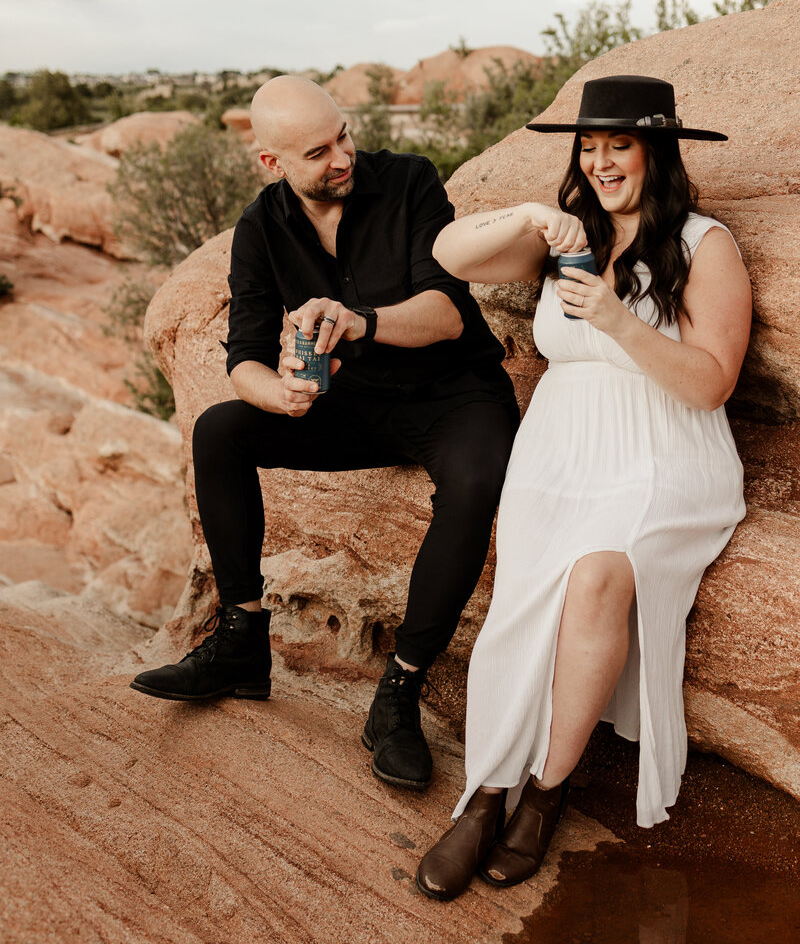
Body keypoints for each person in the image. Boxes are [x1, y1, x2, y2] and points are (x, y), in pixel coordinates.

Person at [131, 75, 519, 791]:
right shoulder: (261, 229)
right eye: (319, 150)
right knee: (220, 431)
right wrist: (278, 395)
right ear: (271, 163)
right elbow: (243, 356)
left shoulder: (409, 183)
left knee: (477, 480)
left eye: (344, 135)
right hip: (358, 404)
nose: (343, 156)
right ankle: (243, 642)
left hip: (454, 396)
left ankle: (399, 689)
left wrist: (358, 318)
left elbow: (446, 313)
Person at [416, 74, 751, 900]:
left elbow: (710, 383)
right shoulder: (568, 235)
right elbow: (447, 255)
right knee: (523, 602)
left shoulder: (706, 244)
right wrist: (534, 216)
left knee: (599, 575)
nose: (601, 163)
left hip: (664, 453)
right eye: (589, 147)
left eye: (620, 146)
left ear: (657, 151)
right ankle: (485, 791)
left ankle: (544, 790)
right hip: (561, 447)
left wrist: (614, 319)